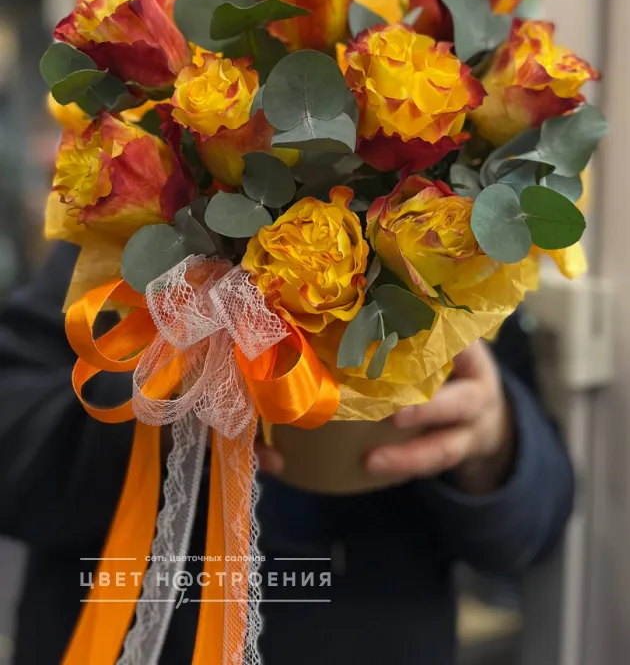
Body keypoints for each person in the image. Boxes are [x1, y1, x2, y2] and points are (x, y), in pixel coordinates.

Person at [0, 242, 574, 665]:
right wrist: (162, 406)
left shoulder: (456, 248)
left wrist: (492, 446)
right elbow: (13, 435)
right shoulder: (132, 226)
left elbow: (536, 525)